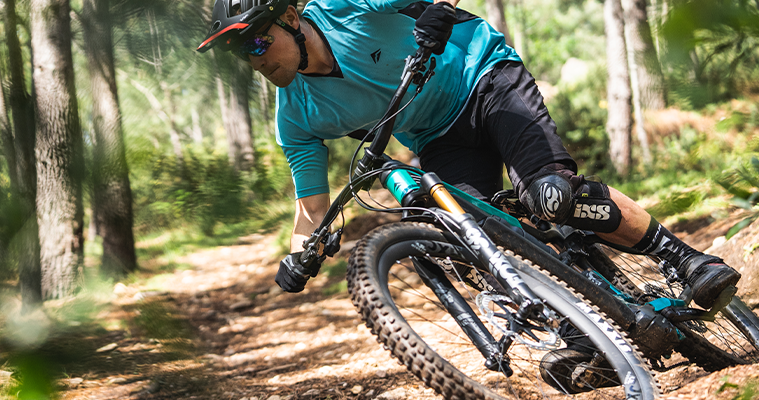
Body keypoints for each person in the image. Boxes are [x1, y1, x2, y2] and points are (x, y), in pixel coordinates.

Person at [196, 0, 740, 310]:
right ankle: (577, 328)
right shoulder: (294, 115)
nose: (254, 60)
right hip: (437, 134)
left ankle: (685, 259)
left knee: (550, 195)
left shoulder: (344, 6)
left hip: (485, 76)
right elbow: (311, 207)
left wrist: (433, 13)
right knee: (463, 241)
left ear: (290, 17)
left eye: (258, 42)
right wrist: (301, 253)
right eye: (242, 54)